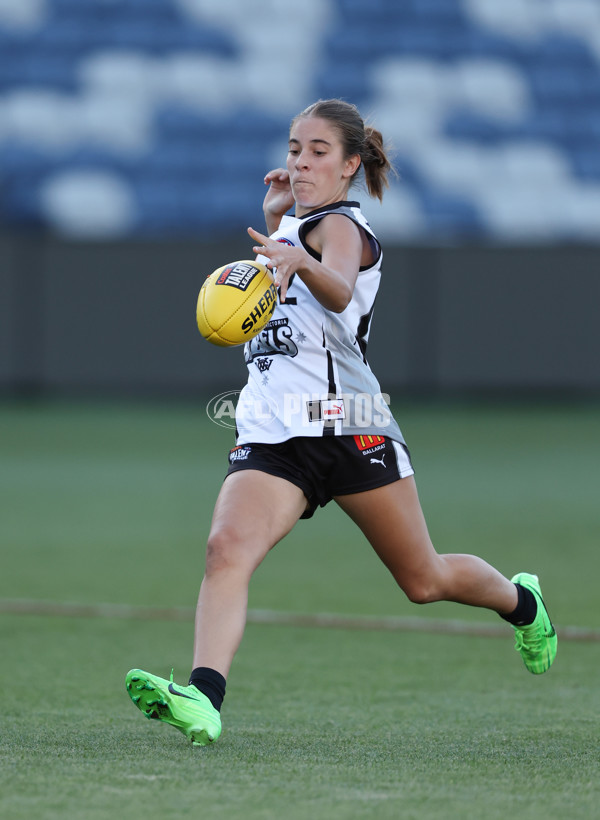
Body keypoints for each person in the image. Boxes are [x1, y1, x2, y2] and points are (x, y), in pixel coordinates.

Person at [125, 99, 557, 747]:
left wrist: (297, 254)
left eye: (318, 151)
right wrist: (280, 231)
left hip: (350, 425)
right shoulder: (294, 233)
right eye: (295, 148)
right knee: (226, 551)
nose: (301, 162)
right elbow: (274, 306)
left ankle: (523, 603)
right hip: (274, 433)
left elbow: (341, 289)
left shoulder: (341, 226)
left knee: (424, 579)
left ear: (350, 164)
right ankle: (204, 697)